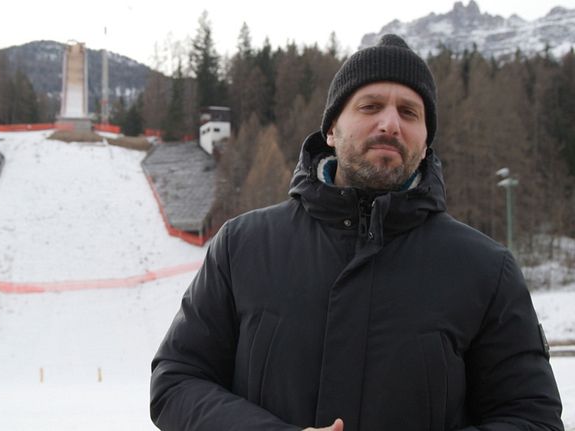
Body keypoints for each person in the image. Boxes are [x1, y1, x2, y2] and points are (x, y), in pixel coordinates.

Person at [149, 34, 564, 431]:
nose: (390, 123)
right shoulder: (243, 246)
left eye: (409, 112)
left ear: (425, 143)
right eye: (370, 106)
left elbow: (533, 418)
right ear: (331, 130)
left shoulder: (486, 270)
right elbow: (177, 380)